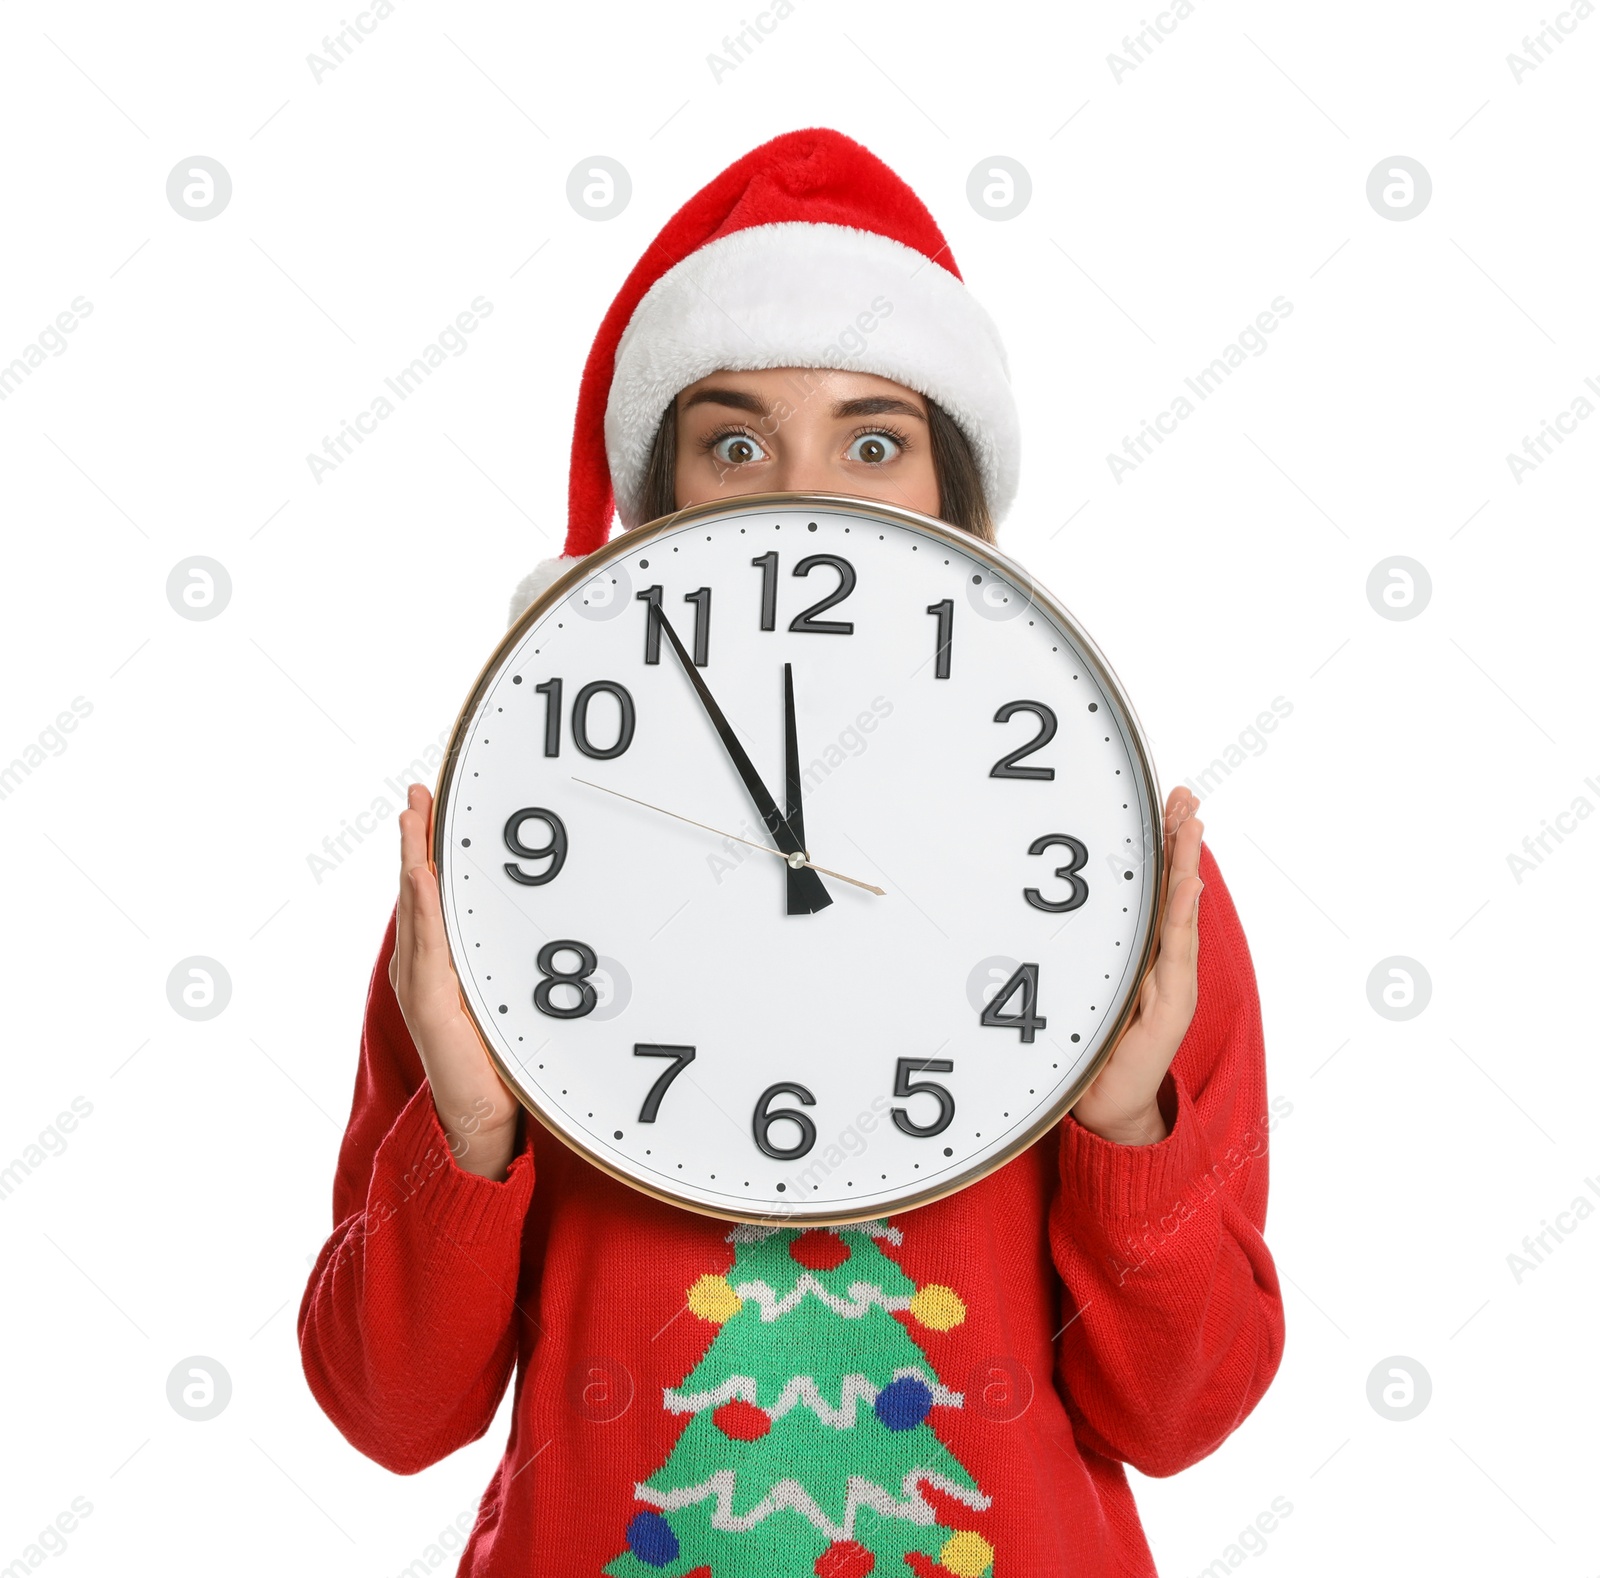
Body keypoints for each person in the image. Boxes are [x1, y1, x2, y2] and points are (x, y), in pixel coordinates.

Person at [299, 127, 1285, 1578]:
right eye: (737, 440)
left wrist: (1125, 1129)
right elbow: (392, 1413)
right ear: (660, 503)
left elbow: (1183, 1410)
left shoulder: (1115, 871)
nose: (797, 491)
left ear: (955, 501)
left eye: (873, 439)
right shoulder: (506, 871)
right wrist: (470, 1130)